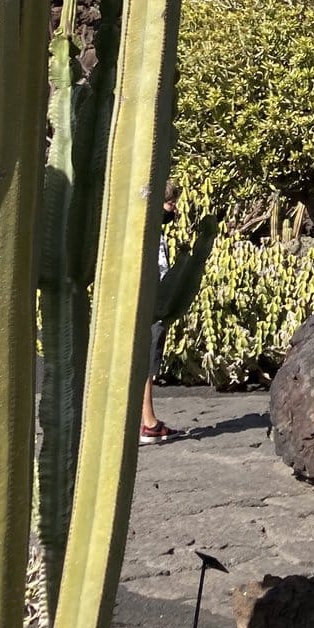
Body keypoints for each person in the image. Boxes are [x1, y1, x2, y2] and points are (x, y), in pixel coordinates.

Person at [140, 181, 180, 445]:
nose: (174, 209)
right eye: (171, 202)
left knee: (147, 362)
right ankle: (148, 422)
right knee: (147, 363)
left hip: (154, 300)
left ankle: (147, 421)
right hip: (150, 303)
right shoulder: (148, 232)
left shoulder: (151, 231)